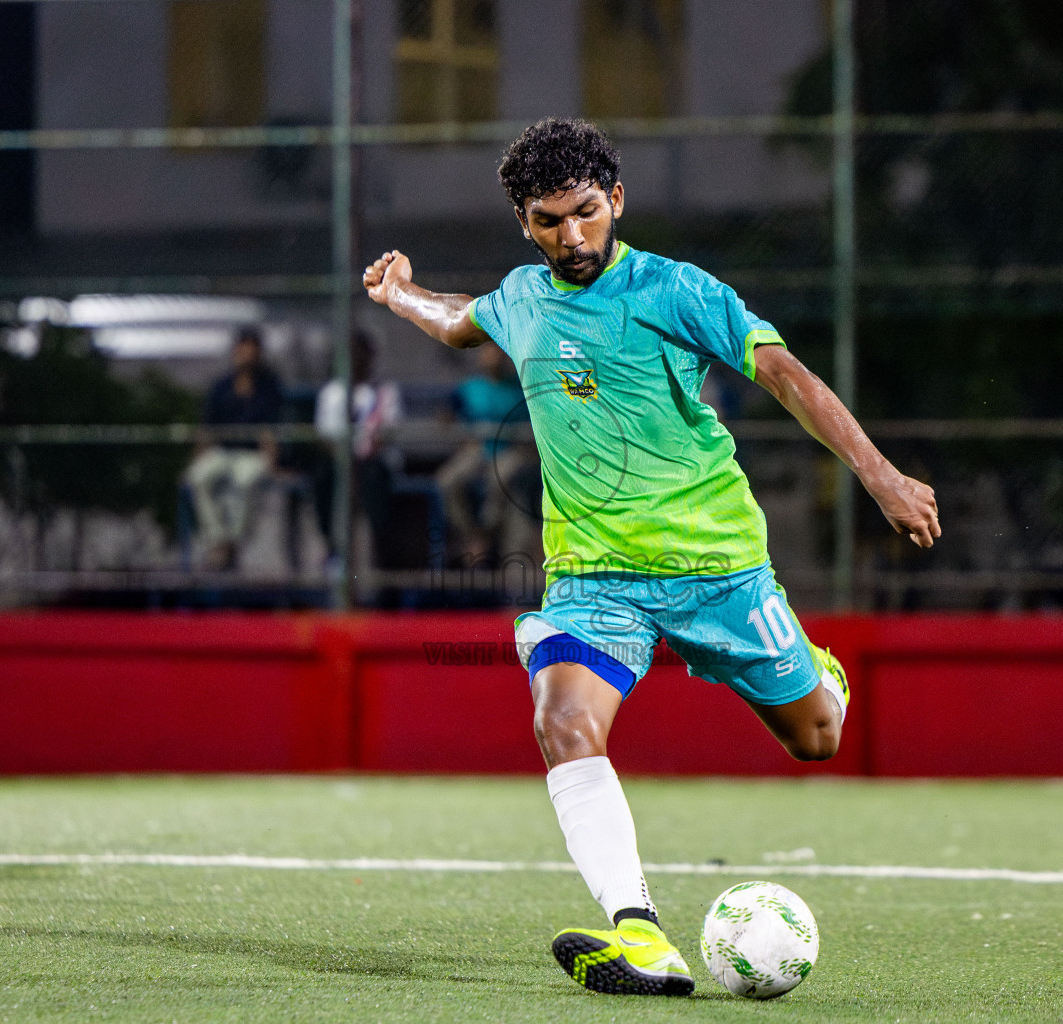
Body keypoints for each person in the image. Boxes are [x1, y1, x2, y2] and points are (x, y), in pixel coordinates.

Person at [362, 118, 940, 997]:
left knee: (817, 738)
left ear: (616, 201)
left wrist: (883, 476)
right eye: (550, 221)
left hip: (718, 566)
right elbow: (457, 324)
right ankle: (640, 936)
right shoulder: (522, 297)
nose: (573, 236)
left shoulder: (676, 290)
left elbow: (787, 377)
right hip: (594, 580)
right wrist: (403, 294)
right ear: (526, 222)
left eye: (587, 213)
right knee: (562, 721)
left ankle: (817, 675)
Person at [184, 325, 285, 570]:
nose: (247, 356)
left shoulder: (269, 387)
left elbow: (273, 429)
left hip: (252, 455)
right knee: (197, 477)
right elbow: (207, 428)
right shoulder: (222, 386)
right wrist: (197, 456)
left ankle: (232, 544)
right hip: (223, 452)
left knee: (244, 481)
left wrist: (273, 458)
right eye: (243, 350)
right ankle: (218, 539)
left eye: (252, 351)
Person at [435, 341, 536, 566]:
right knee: (448, 480)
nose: (493, 358)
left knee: (499, 478)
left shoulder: (520, 387)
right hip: (479, 450)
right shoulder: (470, 388)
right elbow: (446, 414)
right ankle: (471, 534)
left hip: (511, 451)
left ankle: (488, 530)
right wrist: (460, 433)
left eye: (498, 353)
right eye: (488, 353)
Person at [313, 332, 403, 567]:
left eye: (361, 353)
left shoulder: (384, 392)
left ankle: (377, 558)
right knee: (323, 476)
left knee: (373, 479)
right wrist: (346, 462)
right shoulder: (331, 393)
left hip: (374, 463)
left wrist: (362, 457)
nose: (356, 359)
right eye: (352, 354)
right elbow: (326, 438)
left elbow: (386, 435)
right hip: (341, 463)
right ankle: (332, 546)